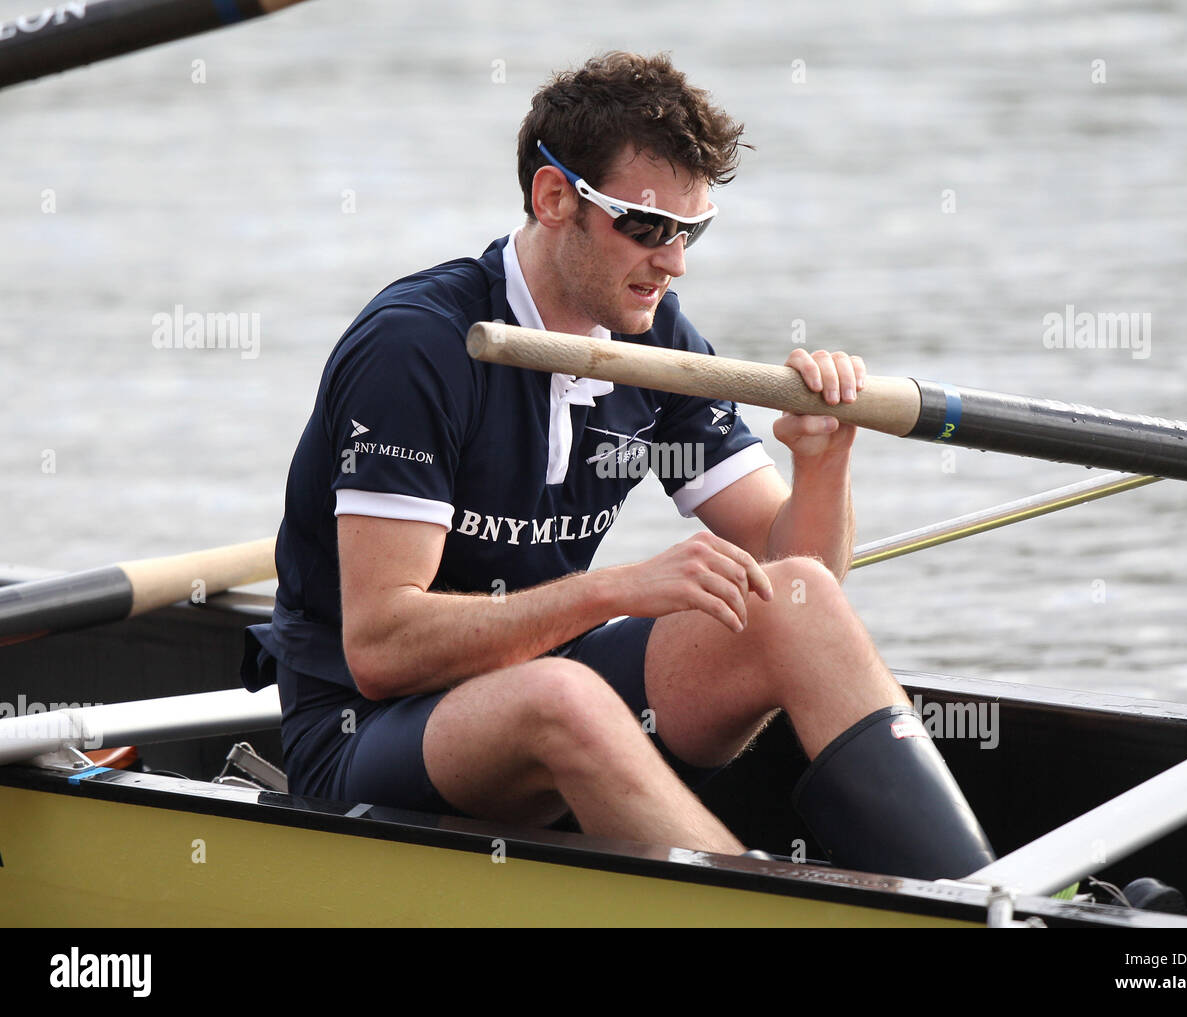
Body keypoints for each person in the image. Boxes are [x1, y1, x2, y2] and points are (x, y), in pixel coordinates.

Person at [241, 51, 994, 880]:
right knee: (562, 697)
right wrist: (614, 590)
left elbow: (801, 577)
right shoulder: (417, 348)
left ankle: (978, 897)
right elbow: (382, 649)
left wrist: (822, 463)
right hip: (361, 735)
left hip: (537, 686)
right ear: (554, 197)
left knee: (798, 600)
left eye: (690, 231)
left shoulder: (657, 344)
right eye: (645, 226)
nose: (673, 262)